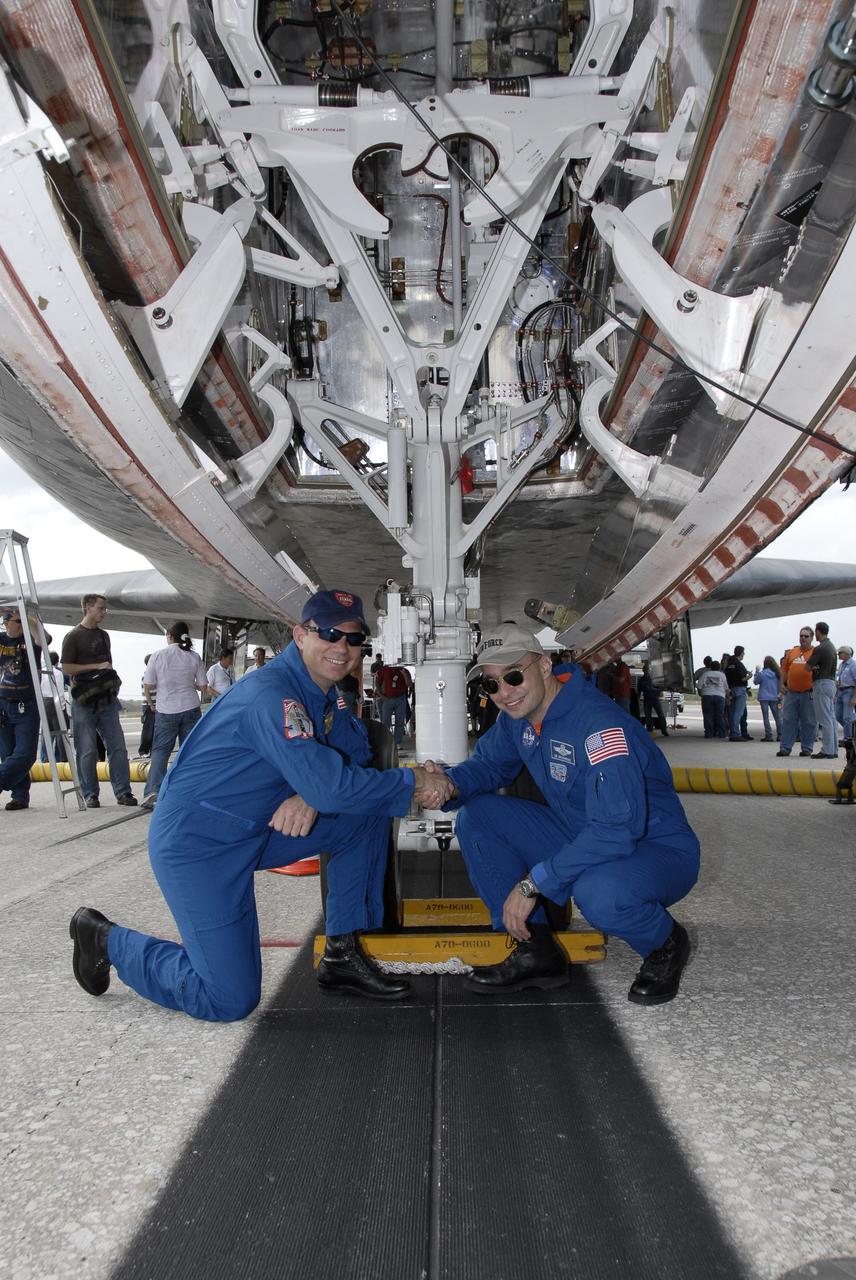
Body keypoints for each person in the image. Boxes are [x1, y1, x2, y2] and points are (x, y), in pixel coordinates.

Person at [68, 589, 451, 1020]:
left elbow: (355, 749)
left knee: (362, 818)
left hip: (254, 830)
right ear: (300, 635)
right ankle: (106, 940)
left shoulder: (324, 693)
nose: (341, 647)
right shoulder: (272, 696)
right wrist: (412, 781)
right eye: (328, 633)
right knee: (228, 999)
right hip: (199, 846)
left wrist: (308, 791)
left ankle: (342, 953)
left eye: (353, 638)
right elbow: (334, 784)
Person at [426, 623, 699, 1005]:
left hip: (652, 849)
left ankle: (665, 942)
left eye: (513, 676)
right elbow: (488, 767)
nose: (504, 693)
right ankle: (535, 951)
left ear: (543, 666)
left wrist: (533, 883)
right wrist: (448, 786)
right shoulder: (517, 719)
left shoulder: (599, 727)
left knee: (599, 895)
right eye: (491, 685)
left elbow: (617, 830)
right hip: (582, 835)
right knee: (479, 815)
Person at [60, 594, 136, 809]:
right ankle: (90, 794)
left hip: (107, 699)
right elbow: (67, 667)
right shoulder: (73, 636)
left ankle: (123, 791)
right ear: (88, 608)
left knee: (118, 747)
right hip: (84, 701)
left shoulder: (104, 636)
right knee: (87, 750)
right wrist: (96, 667)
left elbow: (107, 664)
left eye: (104, 609)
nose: (104, 612)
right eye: (101, 608)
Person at [141, 622, 209, 808]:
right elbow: (203, 685)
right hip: (190, 707)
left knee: (160, 752)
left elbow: (148, 684)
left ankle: (153, 792)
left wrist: (150, 703)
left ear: (169, 635)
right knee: (189, 751)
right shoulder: (194, 656)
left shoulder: (158, 655)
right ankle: (190, 791)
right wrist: (189, 684)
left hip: (166, 710)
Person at [0, 608, 47, 810]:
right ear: (6, 623)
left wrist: (26, 616)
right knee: (7, 752)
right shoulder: (2, 640)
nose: (21, 626)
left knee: (26, 753)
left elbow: (43, 639)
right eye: (17, 622)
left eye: (23, 622)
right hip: (3, 702)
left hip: (26, 704)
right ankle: (19, 796)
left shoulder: (30, 639)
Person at [777, 626, 816, 758]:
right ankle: (785, 748)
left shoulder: (816, 652)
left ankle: (807, 748)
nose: (803, 638)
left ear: (812, 638)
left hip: (808, 693)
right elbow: (784, 670)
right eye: (801, 636)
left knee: (809, 721)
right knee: (788, 720)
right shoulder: (792, 652)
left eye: (806, 636)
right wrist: (782, 684)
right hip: (792, 693)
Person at [806, 621, 838, 759]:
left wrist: (814, 667)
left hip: (821, 683)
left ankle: (827, 750)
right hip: (831, 683)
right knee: (830, 717)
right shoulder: (831, 647)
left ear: (818, 632)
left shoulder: (820, 648)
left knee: (824, 719)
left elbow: (807, 667)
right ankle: (833, 748)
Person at [39, 650, 67, 764]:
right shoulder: (58, 673)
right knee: (59, 732)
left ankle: (44, 757)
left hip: (45, 702)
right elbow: (60, 690)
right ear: (57, 661)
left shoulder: (41, 672)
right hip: (56, 702)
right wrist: (62, 706)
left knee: (46, 731)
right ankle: (61, 757)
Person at [376, 661, 412, 747]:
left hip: (400, 699)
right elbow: (378, 682)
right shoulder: (385, 669)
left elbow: (409, 684)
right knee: (385, 722)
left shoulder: (404, 670)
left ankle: (397, 742)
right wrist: (381, 695)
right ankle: (385, 742)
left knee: (399, 721)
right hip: (387, 699)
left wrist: (404, 674)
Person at [724, 646, 752, 741]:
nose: (744, 654)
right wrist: (749, 676)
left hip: (733, 689)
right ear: (740, 653)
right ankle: (736, 733)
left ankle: (733, 732)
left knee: (733, 713)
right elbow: (742, 678)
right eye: (743, 653)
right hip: (740, 689)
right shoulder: (739, 664)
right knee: (738, 713)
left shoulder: (729, 664)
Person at [753, 657, 782, 742]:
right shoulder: (777, 673)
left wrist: (756, 672)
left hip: (764, 697)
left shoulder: (762, 674)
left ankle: (768, 735)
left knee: (766, 717)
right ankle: (780, 734)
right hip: (775, 697)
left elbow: (755, 682)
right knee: (778, 716)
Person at [697, 660, 728, 738]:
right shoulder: (722, 675)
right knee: (720, 715)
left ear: (710, 667)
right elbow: (726, 688)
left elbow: (699, 686)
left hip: (707, 696)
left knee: (708, 715)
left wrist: (701, 694)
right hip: (720, 696)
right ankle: (722, 733)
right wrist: (727, 697)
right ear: (719, 667)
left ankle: (709, 733)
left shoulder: (705, 674)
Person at [638, 662, 669, 737]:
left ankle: (664, 731)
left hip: (655, 699)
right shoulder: (641, 680)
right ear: (643, 670)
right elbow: (639, 690)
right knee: (648, 716)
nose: (646, 671)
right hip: (647, 699)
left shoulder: (654, 679)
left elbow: (660, 687)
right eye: (645, 669)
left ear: (650, 670)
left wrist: (658, 693)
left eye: (647, 669)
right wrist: (638, 699)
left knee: (661, 715)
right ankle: (650, 730)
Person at [834, 645, 856, 744]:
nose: (838, 655)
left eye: (840, 653)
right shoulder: (842, 665)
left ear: (846, 653)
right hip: (840, 691)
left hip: (849, 691)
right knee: (837, 714)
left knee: (847, 716)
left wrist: (854, 696)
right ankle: (851, 731)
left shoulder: (853, 665)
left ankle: (848, 737)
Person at [138, 655, 155, 757]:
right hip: (149, 705)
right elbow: (146, 691)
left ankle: (152, 751)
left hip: (155, 705)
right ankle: (143, 751)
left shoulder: (154, 674)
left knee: (154, 729)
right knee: (148, 729)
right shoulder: (148, 675)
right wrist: (151, 705)